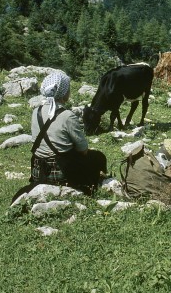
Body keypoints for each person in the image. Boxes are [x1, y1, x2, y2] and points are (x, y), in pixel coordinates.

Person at [12, 71, 107, 203]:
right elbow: (83, 150)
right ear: (63, 92)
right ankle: (90, 187)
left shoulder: (36, 112)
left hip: (38, 170)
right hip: (61, 171)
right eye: (68, 88)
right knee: (98, 157)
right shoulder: (68, 115)